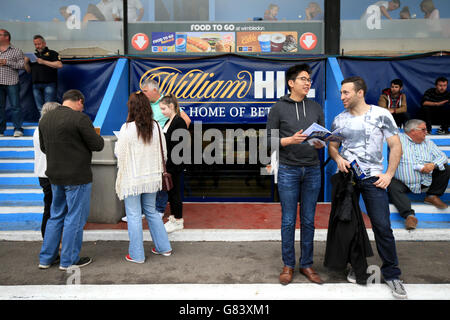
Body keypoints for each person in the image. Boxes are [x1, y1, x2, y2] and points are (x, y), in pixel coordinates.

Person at [328, 76, 406, 299]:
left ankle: (393, 275)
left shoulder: (381, 114)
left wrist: (389, 174)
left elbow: (395, 145)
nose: (341, 97)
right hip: (347, 178)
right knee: (350, 227)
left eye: (346, 93)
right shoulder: (339, 119)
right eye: (341, 93)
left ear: (359, 93)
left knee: (382, 226)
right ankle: (357, 266)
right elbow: (333, 147)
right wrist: (338, 158)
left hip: (373, 178)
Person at [266, 64, 325, 285]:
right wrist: (289, 140)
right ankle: (288, 265)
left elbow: (322, 137)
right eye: (303, 79)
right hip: (288, 170)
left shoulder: (315, 107)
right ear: (291, 83)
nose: (308, 82)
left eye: (309, 79)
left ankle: (307, 264)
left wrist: (321, 143)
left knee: (309, 221)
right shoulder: (278, 108)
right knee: (289, 221)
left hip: (312, 169)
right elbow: (268, 141)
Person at [38, 89, 104, 270]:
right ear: (79, 101)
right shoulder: (80, 119)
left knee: (55, 216)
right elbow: (97, 144)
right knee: (74, 218)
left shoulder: (45, 119)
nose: (82, 108)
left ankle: (46, 259)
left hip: (54, 176)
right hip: (77, 176)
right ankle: (68, 260)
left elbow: (44, 148)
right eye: (82, 105)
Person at [115, 91, 172, 263]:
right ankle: (164, 247)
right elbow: (165, 154)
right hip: (152, 179)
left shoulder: (127, 128)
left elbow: (119, 153)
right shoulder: (156, 126)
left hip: (133, 179)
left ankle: (137, 254)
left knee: (133, 215)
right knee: (152, 212)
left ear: (131, 108)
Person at [388, 119, 449, 230]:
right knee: (391, 184)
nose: (426, 132)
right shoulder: (397, 139)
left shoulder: (428, 143)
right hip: (402, 183)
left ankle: (432, 196)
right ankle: (409, 216)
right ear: (413, 131)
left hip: (424, 182)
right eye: (423, 130)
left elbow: (443, 157)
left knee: (445, 167)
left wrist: (433, 164)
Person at [159, 94, 188, 233]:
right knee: (170, 192)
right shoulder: (167, 122)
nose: (161, 112)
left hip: (175, 163)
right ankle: (173, 217)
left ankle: (178, 220)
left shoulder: (179, 122)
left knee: (175, 192)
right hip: (168, 163)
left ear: (171, 106)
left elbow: (180, 145)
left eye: (163, 109)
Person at [33, 102, 60, 239]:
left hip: (43, 173)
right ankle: (49, 240)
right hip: (49, 173)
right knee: (51, 209)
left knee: (49, 207)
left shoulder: (38, 128)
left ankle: (48, 239)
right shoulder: (47, 129)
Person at [25, 35, 63, 114]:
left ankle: (50, 124)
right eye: (35, 44)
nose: (37, 46)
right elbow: (28, 71)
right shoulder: (33, 56)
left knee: (49, 107)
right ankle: (43, 124)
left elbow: (59, 65)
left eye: (39, 44)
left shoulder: (52, 53)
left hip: (49, 84)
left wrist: (43, 62)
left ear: (44, 43)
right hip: (35, 84)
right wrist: (25, 63)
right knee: (40, 108)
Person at [0, 29, 25, 137]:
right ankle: (0, 130)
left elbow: (22, 65)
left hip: (12, 82)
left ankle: (18, 129)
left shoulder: (16, 50)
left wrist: (7, 62)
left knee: (15, 106)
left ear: (6, 37)